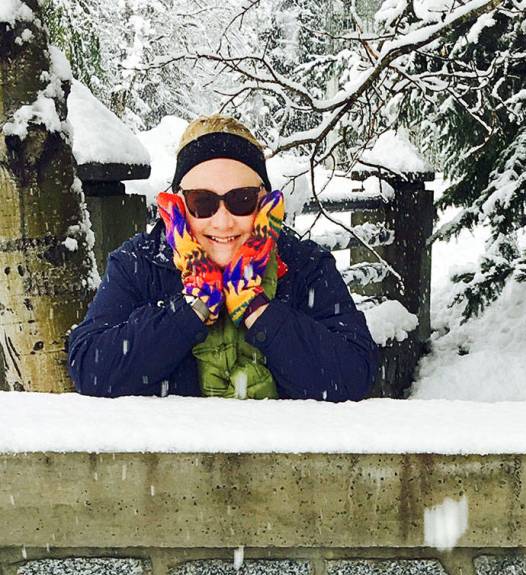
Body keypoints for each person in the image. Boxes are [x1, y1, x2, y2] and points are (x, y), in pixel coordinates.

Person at [68, 115, 378, 400]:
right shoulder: (140, 263)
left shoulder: (304, 266)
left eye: (241, 201)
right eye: (202, 202)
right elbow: (93, 371)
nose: (223, 222)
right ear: (179, 207)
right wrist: (191, 310)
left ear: (265, 205)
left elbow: (353, 376)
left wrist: (258, 311)